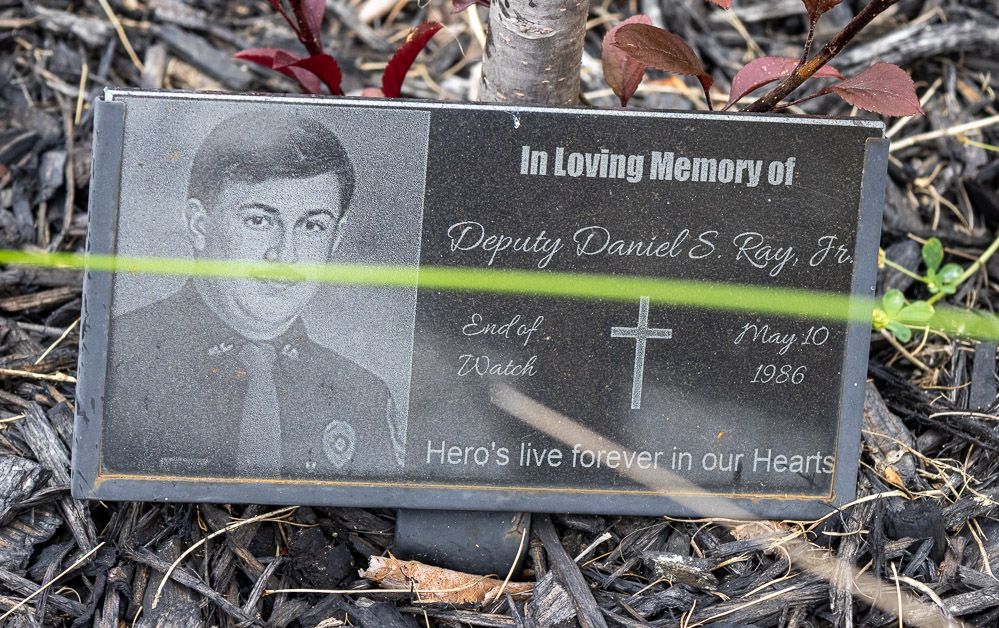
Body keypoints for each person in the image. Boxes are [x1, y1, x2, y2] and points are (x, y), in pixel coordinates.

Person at [101, 113, 405, 480]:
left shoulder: (364, 397)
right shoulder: (117, 361)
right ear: (199, 225)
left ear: (335, 239)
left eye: (312, 226)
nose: (286, 254)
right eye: (259, 220)